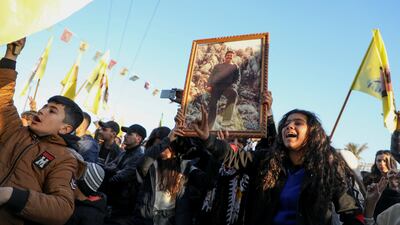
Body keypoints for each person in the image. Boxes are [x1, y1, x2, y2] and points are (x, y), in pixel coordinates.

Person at [192, 106, 364, 225]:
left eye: (298, 123)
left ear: (313, 133)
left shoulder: (329, 167)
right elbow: (233, 156)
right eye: (287, 123)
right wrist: (208, 139)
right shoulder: (267, 160)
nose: (290, 125)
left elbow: (350, 211)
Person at [0, 38, 86, 225]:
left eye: (52, 111)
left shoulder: (65, 159)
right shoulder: (16, 130)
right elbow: (3, 99)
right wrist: (11, 55)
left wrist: (10, 195)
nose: (41, 110)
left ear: (65, 128)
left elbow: (62, 208)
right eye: (45, 106)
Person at [132, 113, 209, 225]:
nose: (161, 148)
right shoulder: (151, 165)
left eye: (165, 145)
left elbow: (206, 179)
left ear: (173, 145)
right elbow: (143, 162)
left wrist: (202, 136)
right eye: (157, 146)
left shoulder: (184, 166)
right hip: (147, 218)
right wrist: (167, 139)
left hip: (170, 219)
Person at [103, 124, 146, 225]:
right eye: (126, 133)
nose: (125, 136)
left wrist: (113, 172)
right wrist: (116, 170)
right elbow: (108, 166)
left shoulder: (139, 156)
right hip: (113, 199)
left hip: (123, 206)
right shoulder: (124, 153)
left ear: (138, 139)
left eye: (129, 134)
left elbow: (122, 176)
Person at [207, 50, 241, 129]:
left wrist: (234, 86)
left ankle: (226, 120)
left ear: (233, 57)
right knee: (213, 104)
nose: (229, 56)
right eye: (228, 55)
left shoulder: (235, 67)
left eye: (231, 56)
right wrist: (209, 85)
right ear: (225, 56)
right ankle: (210, 125)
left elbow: (237, 79)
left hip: (228, 87)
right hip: (216, 87)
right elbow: (212, 76)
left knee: (234, 93)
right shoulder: (218, 66)